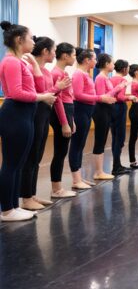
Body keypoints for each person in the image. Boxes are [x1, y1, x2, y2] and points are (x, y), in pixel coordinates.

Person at [0, 21, 56, 222]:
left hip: (24, 114)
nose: (34, 42)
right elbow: (16, 93)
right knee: (11, 164)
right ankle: (7, 210)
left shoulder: (21, 62)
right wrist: (43, 97)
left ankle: (14, 205)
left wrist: (33, 64)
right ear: (19, 40)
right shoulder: (11, 62)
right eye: (31, 38)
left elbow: (38, 86)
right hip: (15, 114)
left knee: (19, 162)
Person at [21, 36, 70, 211]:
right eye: (54, 50)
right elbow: (40, 94)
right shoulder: (30, 68)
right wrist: (58, 87)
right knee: (30, 157)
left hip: (44, 116)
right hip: (34, 115)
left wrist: (65, 122)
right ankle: (26, 198)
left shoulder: (47, 72)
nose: (55, 53)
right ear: (45, 51)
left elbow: (54, 97)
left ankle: (32, 194)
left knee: (37, 157)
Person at [69, 48, 117, 190]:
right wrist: (100, 98)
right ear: (87, 60)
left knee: (81, 145)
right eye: (94, 58)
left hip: (87, 110)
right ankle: (76, 180)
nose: (96, 61)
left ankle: (79, 177)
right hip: (80, 110)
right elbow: (78, 95)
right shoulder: (78, 74)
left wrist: (98, 97)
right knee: (77, 145)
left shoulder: (85, 74)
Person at [49, 43, 78, 198]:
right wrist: (65, 123)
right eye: (73, 55)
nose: (75, 58)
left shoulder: (64, 72)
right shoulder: (56, 73)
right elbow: (58, 100)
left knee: (62, 151)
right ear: (65, 56)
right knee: (60, 152)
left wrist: (71, 120)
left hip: (68, 111)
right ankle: (56, 189)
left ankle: (57, 187)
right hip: (61, 112)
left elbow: (68, 97)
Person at [92, 53, 125, 181]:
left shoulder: (105, 77)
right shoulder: (100, 78)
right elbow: (102, 97)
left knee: (103, 140)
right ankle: (98, 172)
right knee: (100, 140)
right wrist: (118, 88)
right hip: (101, 110)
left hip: (107, 110)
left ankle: (100, 171)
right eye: (112, 63)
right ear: (106, 64)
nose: (114, 65)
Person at [110, 59, 134, 176]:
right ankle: (116, 167)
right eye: (128, 67)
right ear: (124, 69)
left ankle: (117, 164)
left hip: (111, 108)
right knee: (120, 138)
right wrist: (130, 98)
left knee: (115, 137)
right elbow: (120, 97)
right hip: (119, 108)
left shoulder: (111, 79)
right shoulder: (122, 80)